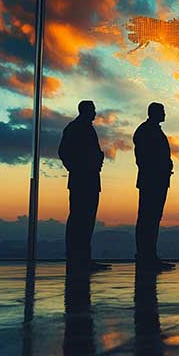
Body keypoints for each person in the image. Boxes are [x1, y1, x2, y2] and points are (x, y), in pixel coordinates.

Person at [58, 100, 110, 273]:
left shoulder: (84, 128)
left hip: (89, 179)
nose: (95, 113)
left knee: (86, 220)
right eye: (93, 110)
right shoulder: (75, 128)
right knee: (80, 219)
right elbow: (64, 152)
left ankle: (83, 258)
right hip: (82, 180)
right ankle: (77, 259)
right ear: (85, 111)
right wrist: (79, 167)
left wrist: (96, 159)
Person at [133, 102, 175, 271]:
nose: (165, 114)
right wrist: (159, 169)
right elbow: (143, 157)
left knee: (153, 218)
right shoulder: (145, 131)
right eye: (162, 111)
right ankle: (145, 256)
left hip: (158, 180)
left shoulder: (152, 130)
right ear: (155, 113)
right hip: (152, 181)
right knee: (147, 218)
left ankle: (149, 255)